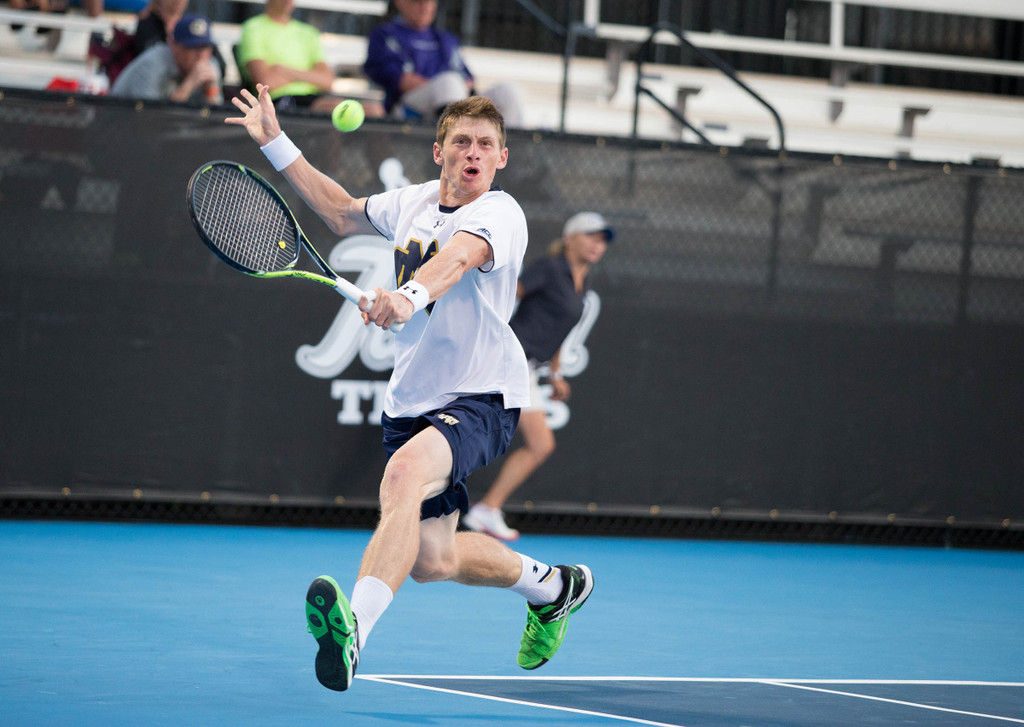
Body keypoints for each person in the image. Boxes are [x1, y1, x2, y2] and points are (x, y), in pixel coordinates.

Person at [224, 87, 593, 691]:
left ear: (501, 158)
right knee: (433, 559)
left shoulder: (501, 212)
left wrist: (407, 296)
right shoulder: (413, 201)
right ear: (439, 151)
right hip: (412, 399)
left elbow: (457, 259)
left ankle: (355, 635)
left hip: (482, 397)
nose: (473, 154)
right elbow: (341, 211)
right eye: (461, 143)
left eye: (486, 145)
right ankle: (554, 587)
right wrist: (275, 142)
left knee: (401, 476)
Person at [463, 212, 614, 541]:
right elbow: (508, 293)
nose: (597, 245)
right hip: (506, 359)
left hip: (526, 367)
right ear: (570, 237)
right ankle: (444, 499)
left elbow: (561, 330)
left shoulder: (582, 282)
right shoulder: (549, 267)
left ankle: (486, 509)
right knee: (479, 433)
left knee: (537, 444)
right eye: (591, 236)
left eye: (602, 241)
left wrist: (555, 372)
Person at [363, 0, 524, 126]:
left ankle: (511, 162)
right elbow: (399, 79)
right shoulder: (384, 34)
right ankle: (454, 154)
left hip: (457, 101)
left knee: (508, 92)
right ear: (400, 2)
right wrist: (444, 84)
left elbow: (469, 81)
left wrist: (458, 86)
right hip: (408, 107)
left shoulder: (445, 38)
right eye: (418, 1)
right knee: (449, 83)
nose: (425, 7)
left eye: (430, 1)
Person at [237, 0, 382, 116]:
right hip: (278, 102)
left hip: (315, 98)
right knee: (334, 109)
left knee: (375, 110)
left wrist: (283, 70)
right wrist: (310, 76)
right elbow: (266, 82)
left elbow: (327, 81)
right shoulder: (252, 28)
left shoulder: (309, 33)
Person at [110, 13, 222, 104]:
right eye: (193, 48)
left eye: (205, 47)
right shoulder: (152, 64)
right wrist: (188, 86)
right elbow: (148, 119)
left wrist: (210, 91)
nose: (201, 55)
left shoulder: (211, 65)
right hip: (118, 123)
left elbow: (217, 124)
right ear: (175, 46)